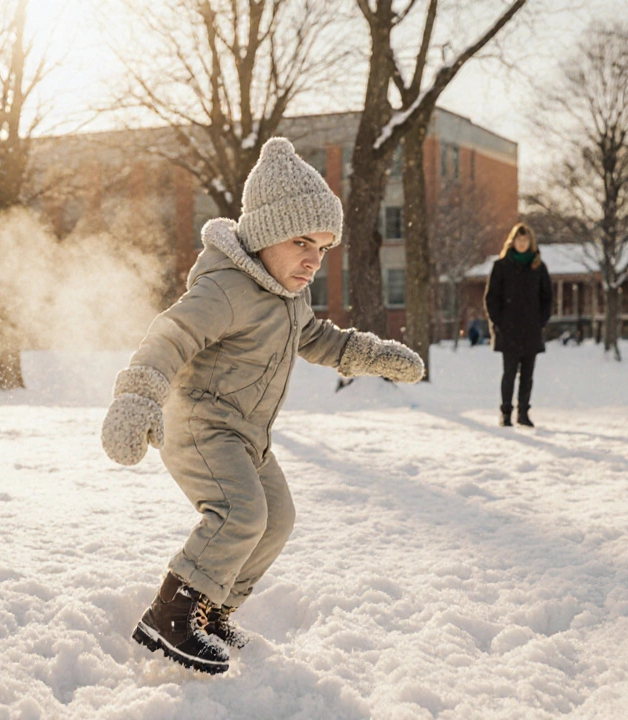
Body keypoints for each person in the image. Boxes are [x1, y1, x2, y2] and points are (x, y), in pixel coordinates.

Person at [100, 137, 424, 675]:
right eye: (302, 241)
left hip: (248, 436)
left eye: (322, 249)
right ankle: (169, 615)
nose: (313, 260)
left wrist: (373, 355)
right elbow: (169, 336)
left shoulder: (288, 297)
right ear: (266, 234)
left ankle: (210, 609)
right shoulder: (226, 288)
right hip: (200, 426)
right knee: (241, 513)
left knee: (276, 520)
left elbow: (318, 338)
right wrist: (137, 395)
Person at [484, 223, 552, 427]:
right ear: (512, 241)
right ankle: (505, 412)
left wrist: (540, 321)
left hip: (531, 329)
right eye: (518, 240)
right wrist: (499, 322)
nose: (522, 243)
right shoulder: (501, 266)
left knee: (528, 375)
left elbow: (547, 298)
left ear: (530, 243)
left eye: (525, 240)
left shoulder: (539, 268)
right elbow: (491, 298)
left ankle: (524, 412)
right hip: (509, 329)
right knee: (509, 373)